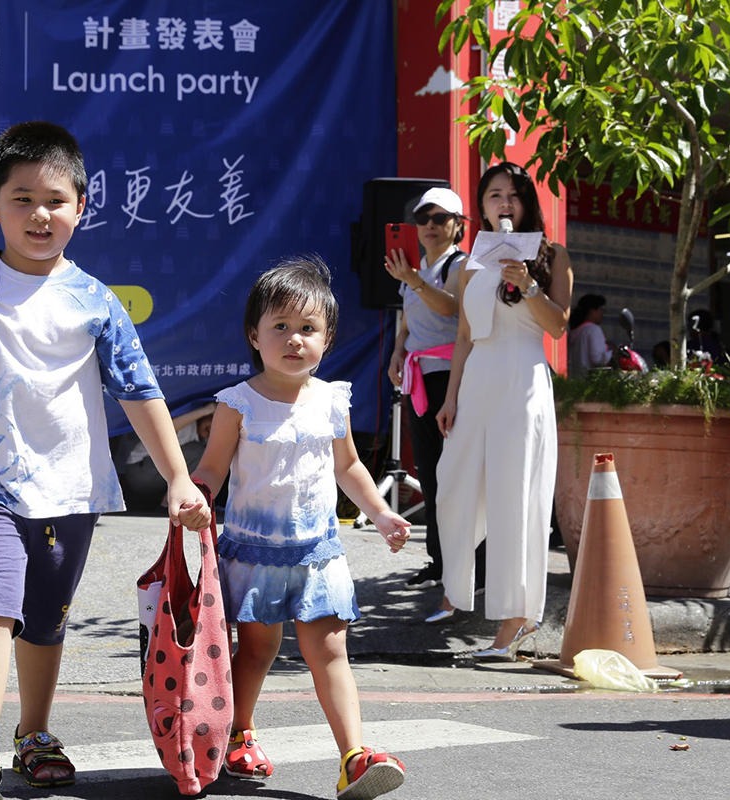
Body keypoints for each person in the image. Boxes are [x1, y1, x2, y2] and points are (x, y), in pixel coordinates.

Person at [0, 121, 209, 800]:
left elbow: (139, 391)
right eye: (21, 199)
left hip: (73, 490)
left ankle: (33, 734)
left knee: (45, 617)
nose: (39, 215)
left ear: (82, 207)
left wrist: (179, 478)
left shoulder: (95, 300)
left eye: (55, 200)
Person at [192, 256, 411, 799]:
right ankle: (239, 733)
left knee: (330, 650)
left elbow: (350, 467)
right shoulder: (236, 403)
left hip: (319, 553)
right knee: (257, 651)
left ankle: (354, 757)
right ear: (254, 335)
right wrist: (194, 498)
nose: (294, 340)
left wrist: (381, 514)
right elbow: (213, 467)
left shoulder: (333, 400)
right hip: (253, 552)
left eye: (308, 329)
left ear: (328, 338)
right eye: (281, 327)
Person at [433, 162, 573, 660]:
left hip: (523, 379)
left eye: (512, 195)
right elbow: (465, 336)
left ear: (527, 202)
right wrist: (450, 398)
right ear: (482, 205)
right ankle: (455, 585)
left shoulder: (551, 255)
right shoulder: (471, 262)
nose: (504, 203)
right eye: (494, 195)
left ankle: (516, 621)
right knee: (451, 483)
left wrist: (530, 286)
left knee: (517, 498)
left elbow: (558, 327)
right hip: (478, 382)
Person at [384, 187, 486, 601]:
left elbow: (453, 311)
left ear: (458, 226)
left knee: (459, 476)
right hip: (418, 377)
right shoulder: (415, 268)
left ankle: (470, 564)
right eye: (424, 218)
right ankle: (441, 562)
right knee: (429, 472)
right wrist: (396, 353)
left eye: (440, 218)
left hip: (452, 379)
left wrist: (411, 279)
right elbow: (407, 323)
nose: (429, 225)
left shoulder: (460, 265)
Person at [118, 401, 216, 511]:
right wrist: (204, 411)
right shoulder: (189, 427)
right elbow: (165, 429)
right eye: (212, 420)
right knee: (197, 452)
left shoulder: (204, 440)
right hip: (140, 471)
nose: (213, 428)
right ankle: (168, 504)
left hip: (149, 477)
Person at [567, 293, 611, 375]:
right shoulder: (593, 329)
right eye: (601, 310)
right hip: (590, 381)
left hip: (575, 379)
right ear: (592, 311)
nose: (602, 314)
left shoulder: (576, 331)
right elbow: (596, 359)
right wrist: (612, 354)